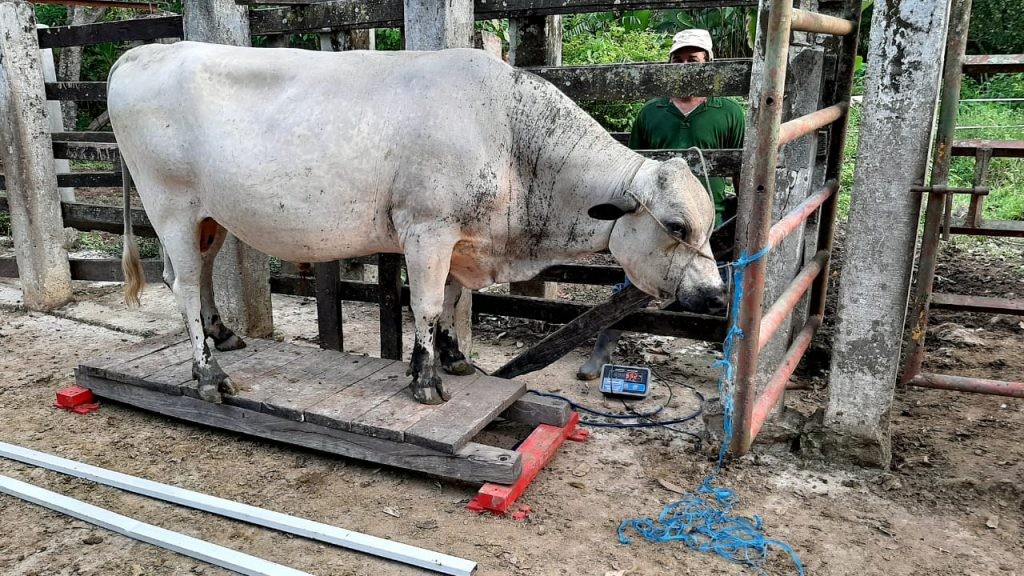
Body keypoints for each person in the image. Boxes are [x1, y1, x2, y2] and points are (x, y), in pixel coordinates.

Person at [577, 29, 746, 381]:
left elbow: (740, 170)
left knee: (718, 293)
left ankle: (728, 363)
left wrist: (742, 214)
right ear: (669, 65)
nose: (686, 66)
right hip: (656, 225)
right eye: (679, 60)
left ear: (707, 63)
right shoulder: (650, 113)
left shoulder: (728, 112)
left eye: (693, 61)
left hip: (709, 219)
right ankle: (602, 350)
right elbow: (632, 170)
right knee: (630, 284)